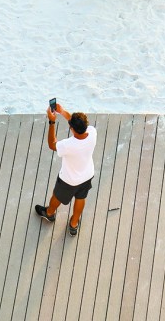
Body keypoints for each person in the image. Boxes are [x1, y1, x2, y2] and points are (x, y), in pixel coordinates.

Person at [33, 100, 96, 237]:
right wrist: (62, 112)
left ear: (72, 129)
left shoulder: (68, 145)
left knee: (57, 196)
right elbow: (78, 125)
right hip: (87, 175)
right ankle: (74, 224)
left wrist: (52, 122)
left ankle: (49, 213)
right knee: (81, 197)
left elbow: (52, 144)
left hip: (69, 180)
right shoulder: (92, 132)